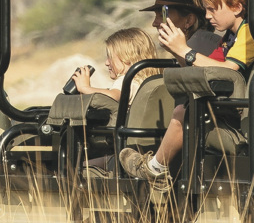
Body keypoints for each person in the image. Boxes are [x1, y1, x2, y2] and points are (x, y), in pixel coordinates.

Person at [73, 27, 179, 182]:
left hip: (129, 152)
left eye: (110, 57)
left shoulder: (127, 79)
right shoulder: (155, 80)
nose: (106, 63)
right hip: (153, 148)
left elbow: (114, 95)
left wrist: (85, 88)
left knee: (78, 167)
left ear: (127, 58)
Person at [140, 0, 217, 58]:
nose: (154, 24)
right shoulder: (200, 43)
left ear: (189, 20)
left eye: (162, 16)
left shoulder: (199, 44)